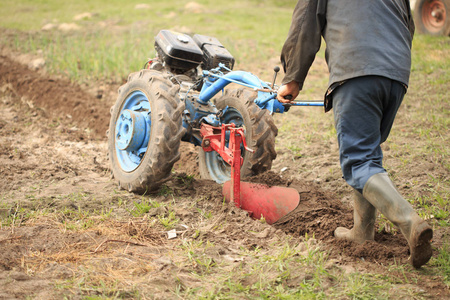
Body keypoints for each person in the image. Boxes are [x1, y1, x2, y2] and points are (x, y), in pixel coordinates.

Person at [277, 0, 433, 268]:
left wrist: (292, 79)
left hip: (357, 68)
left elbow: (305, 25)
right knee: (367, 153)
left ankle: (411, 224)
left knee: (359, 159)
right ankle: (362, 232)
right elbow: (408, 24)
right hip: (396, 74)